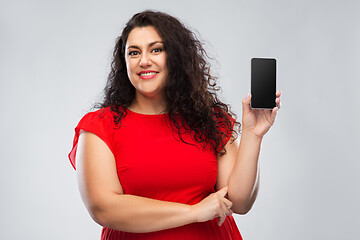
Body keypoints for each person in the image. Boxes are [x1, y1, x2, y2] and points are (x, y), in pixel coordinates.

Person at [68, 10, 281, 240]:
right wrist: (193, 212)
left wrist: (253, 134)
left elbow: (239, 202)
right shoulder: (100, 125)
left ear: (176, 56)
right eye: (134, 52)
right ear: (124, 61)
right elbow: (103, 207)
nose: (144, 61)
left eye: (156, 49)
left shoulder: (210, 119)